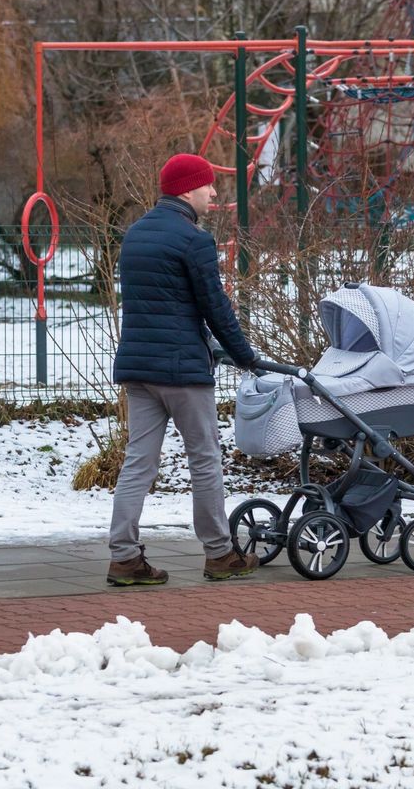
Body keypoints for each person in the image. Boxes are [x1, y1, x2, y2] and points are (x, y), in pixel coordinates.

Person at [106, 153, 262, 586]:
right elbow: (215, 306)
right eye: (209, 185)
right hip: (182, 372)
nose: (214, 193)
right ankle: (219, 553)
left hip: (137, 369)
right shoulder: (194, 240)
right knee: (205, 459)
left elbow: (166, 304)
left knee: (138, 462)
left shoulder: (134, 235)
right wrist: (245, 355)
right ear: (188, 189)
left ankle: (124, 557)